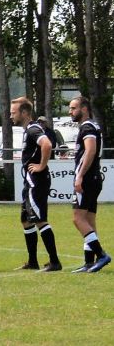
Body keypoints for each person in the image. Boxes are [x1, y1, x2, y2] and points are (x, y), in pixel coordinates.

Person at [10, 97, 62, 271]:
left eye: (13, 112)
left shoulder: (33, 129)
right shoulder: (28, 130)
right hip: (30, 182)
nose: (11, 116)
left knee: (40, 220)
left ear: (24, 113)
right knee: (26, 220)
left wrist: (41, 165)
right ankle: (33, 262)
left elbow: (46, 144)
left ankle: (55, 262)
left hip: (36, 182)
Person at [67, 96, 110, 273]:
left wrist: (80, 176)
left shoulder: (87, 127)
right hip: (93, 178)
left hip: (87, 179)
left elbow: (90, 150)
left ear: (84, 109)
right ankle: (89, 262)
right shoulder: (92, 126)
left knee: (77, 218)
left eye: (73, 108)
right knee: (89, 221)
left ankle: (101, 255)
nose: (70, 112)